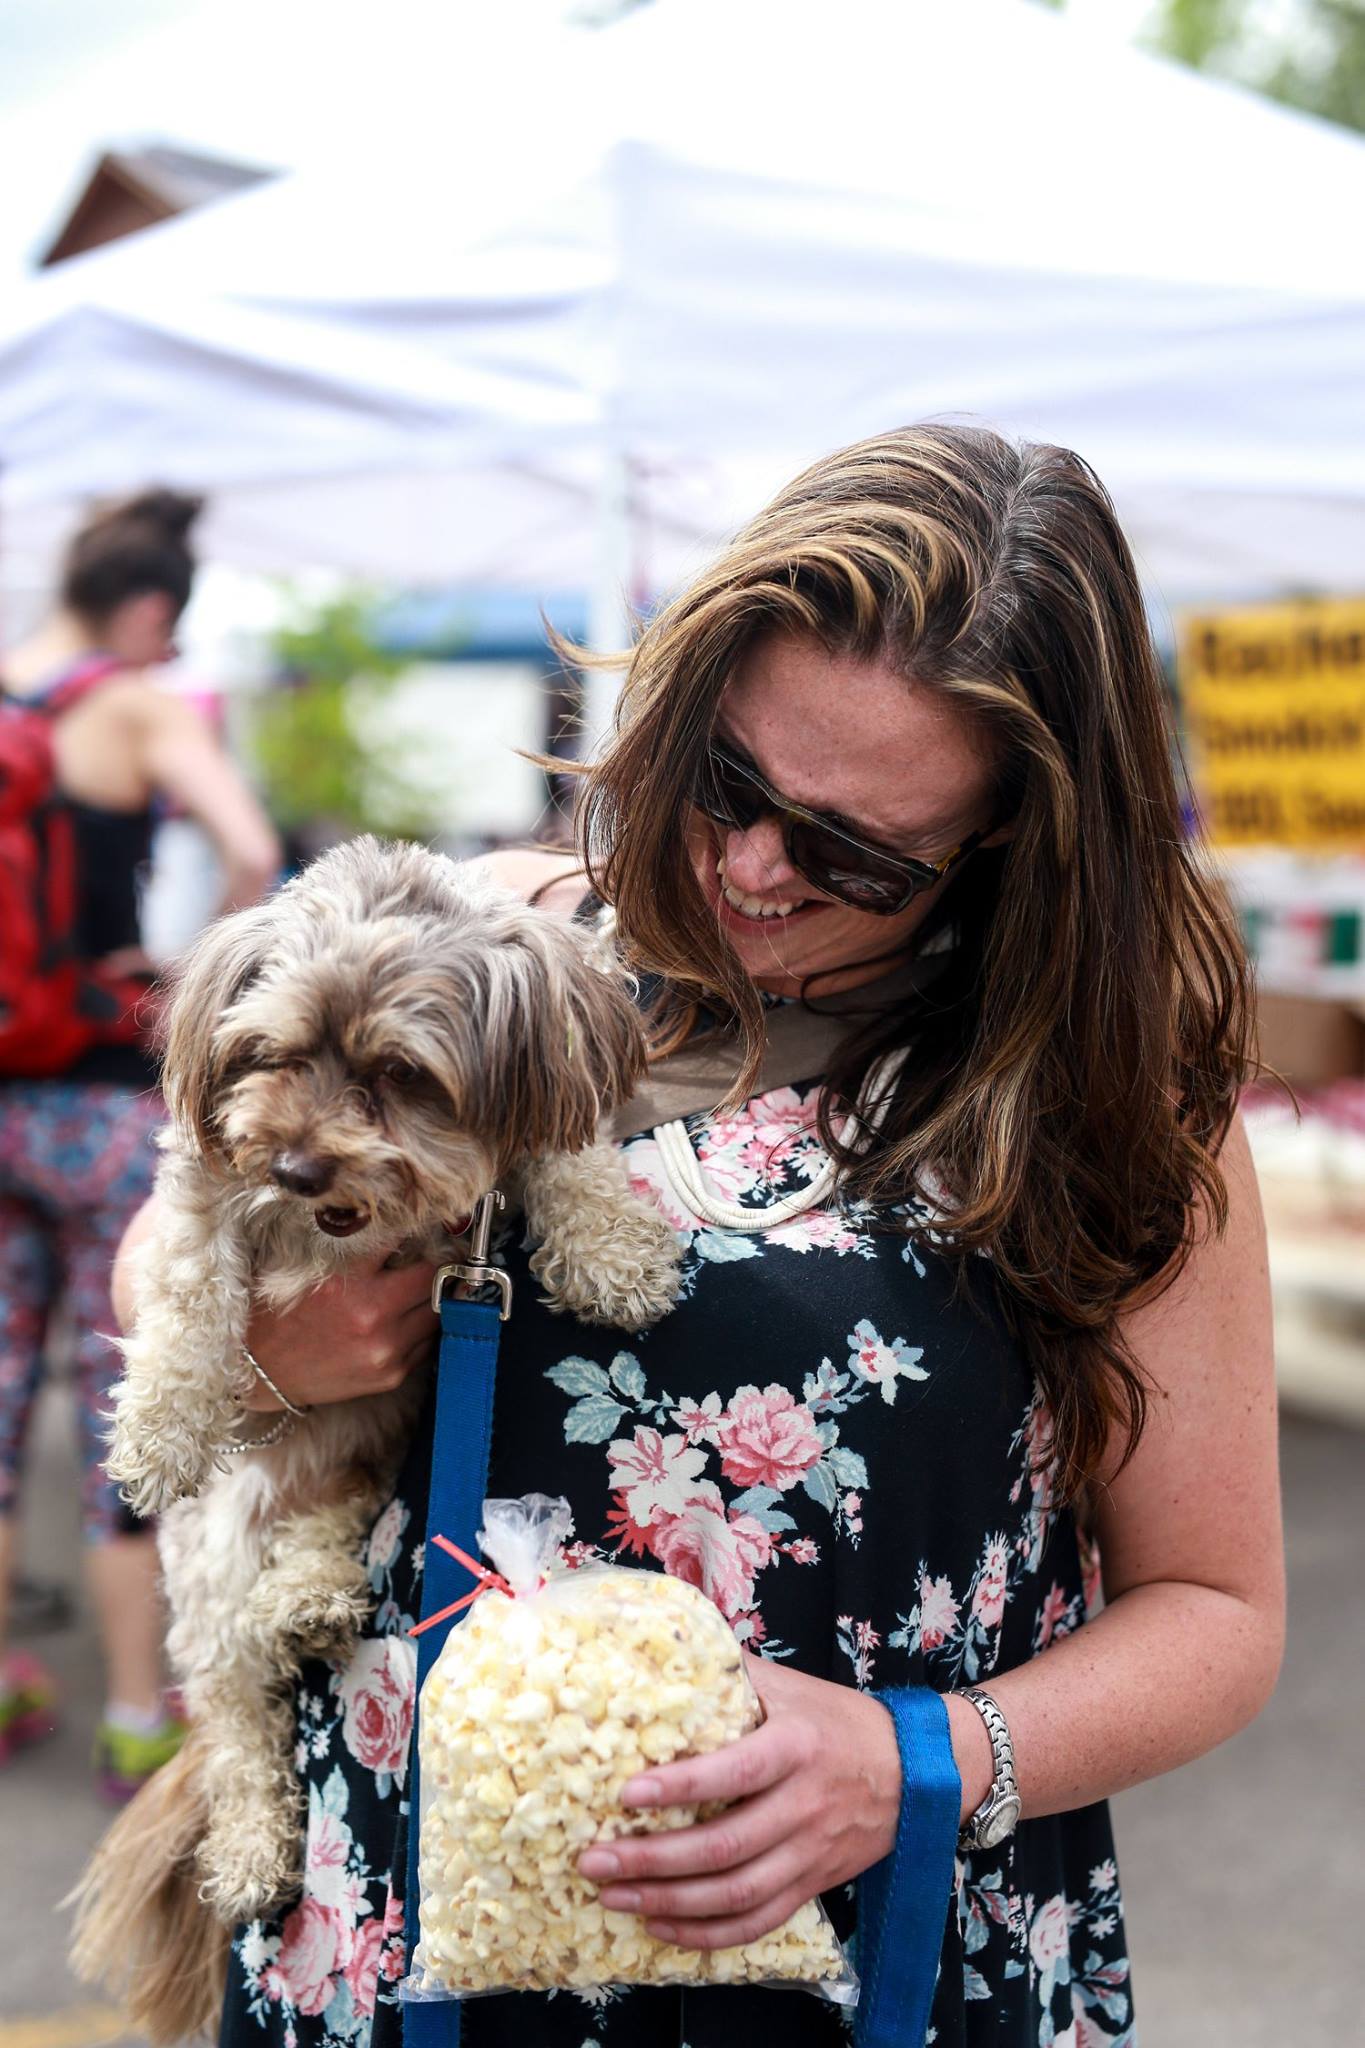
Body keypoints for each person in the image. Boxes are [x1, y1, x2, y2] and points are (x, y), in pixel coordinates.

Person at [114, 426, 1283, 2045]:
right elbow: (187, 1211)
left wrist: (910, 1761)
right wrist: (259, 1351)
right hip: (400, 1919)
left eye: (851, 848)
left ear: (1011, 837)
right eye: (728, 783)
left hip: (853, 1952)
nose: (748, 866)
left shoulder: (1107, 1090)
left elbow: (1218, 1614)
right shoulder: (503, 936)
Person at [0, 488, 281, 1796]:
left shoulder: (7, 689)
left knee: (4, 1402)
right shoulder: (133, 703)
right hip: (107, 1106)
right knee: (135, 1401)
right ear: (155, 606)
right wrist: (178, 974)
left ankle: (10, 1687)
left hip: (1, 1099)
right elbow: (252, 849)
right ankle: (134, 1717)